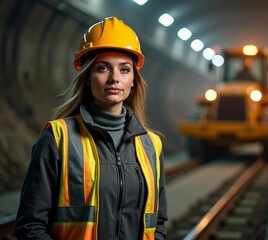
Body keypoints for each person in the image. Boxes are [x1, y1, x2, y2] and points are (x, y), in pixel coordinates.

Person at [15, 16, 168, 240]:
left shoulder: (151, 144)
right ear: (87, 77)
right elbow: (30, 226)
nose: (114, 78)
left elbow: (158, 223)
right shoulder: (58, 138)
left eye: (124, 70)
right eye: (103, 68)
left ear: (133, 79)